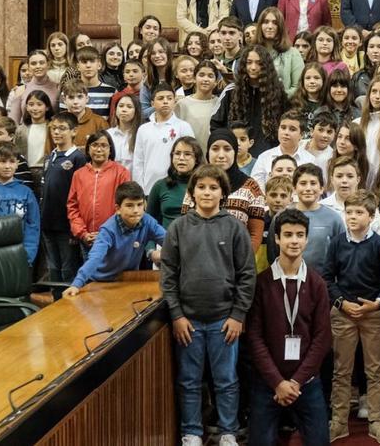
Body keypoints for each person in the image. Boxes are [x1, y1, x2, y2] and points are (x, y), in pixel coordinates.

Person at [160, 164, 256, 446]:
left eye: (213, 187)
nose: (207, 192)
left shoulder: (235, 228)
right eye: (201, 187)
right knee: (189, 381)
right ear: (192, 192)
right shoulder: (178, 228)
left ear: (223, 193)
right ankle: (192, 432)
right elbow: (167, 276)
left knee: (226, 381)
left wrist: (238, 315)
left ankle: (228, 431)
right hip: (187, 321)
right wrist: (176, 315)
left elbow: (247, 276)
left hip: (223, 321)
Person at [245, 208, 332, 446]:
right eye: (288, 234)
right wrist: (278, 382)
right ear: (277, 238)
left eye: (300, 235)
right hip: (268, 382)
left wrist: (296, 382)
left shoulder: (317, 284)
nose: (294, 240)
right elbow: (254, 337)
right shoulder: (262, 283)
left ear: (306, 238)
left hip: (306, 382)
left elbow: (322, 337)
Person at [320, 189, 380, 443]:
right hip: (343, 313)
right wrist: (341, 302)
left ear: (371, 216)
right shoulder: (338, 242)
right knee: (342, 370)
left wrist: (376, 303)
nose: (352, 216)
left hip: (372, 314)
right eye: (349, 212)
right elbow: (328, 277)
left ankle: (376, 420)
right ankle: (339, 421)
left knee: (375, 370)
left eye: (359, 212)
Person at [63, 182, 167, 298]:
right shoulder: (108, 230)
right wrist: (77, 284)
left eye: (139, 204)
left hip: (128, 280)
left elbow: (169, 241)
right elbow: (95, 258)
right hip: (100, 283)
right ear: (118, 209)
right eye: (129, 205)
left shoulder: (147, 221)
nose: (136, 210)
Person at [212, 45, 289, 156]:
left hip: (267, 157)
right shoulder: (231, 91)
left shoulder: (277, 93)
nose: (253, 67)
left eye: (259, 63)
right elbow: (216, 124)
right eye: (249, 62)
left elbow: (284, 124)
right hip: (235, 156)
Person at [67, 130, 132, 256]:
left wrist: (107, 232)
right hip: (87, 239)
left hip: (114, 238)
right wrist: (83, 233)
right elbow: (72, 207)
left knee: (114, 275)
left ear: (110, 149)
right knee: (91, 274)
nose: (99, 149)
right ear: (88, 149)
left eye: (104, 145)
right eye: (95, 145)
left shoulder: (121, 172)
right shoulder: (78, 175)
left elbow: (126, 206)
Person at [133, 84, 194, 193]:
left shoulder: (183, 127)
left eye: (169, 98)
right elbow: (138, 162)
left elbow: (192, 158)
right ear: (152, 103)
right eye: (160, 98)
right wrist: (139, 191)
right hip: (148, 188)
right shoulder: (143, 129)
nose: (165, 101)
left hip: (176, 187)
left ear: (174, 102)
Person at [147, 136, 202, 229]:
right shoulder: (160, 186)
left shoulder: (203, 187)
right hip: (166, 241)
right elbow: (149, 222)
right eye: (177, 153)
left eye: (187, 154)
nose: (181, 158)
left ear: (196, 159)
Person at [256, 7, 305, 96]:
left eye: (275, 23)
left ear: (281, 27)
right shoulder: (252, 52)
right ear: (260, 25)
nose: (270, 26)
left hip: (284, 105)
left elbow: (298, 87)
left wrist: (276, 98)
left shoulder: (293, 53)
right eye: (266, 22)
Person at [8, 50, 60, 124]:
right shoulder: (21, 90)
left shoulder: (58, 88)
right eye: (33, 63)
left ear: (48, 64)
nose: (38, 66)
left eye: (41, 63)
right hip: (27, 133)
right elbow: (13, 122)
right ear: (29, 66)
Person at [175, 61, 221, 145]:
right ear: (194, 79)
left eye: (210, 76)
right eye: (201, 75)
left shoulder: (220, 104)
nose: (205, 79)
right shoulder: (182, 104)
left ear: (215, 82)